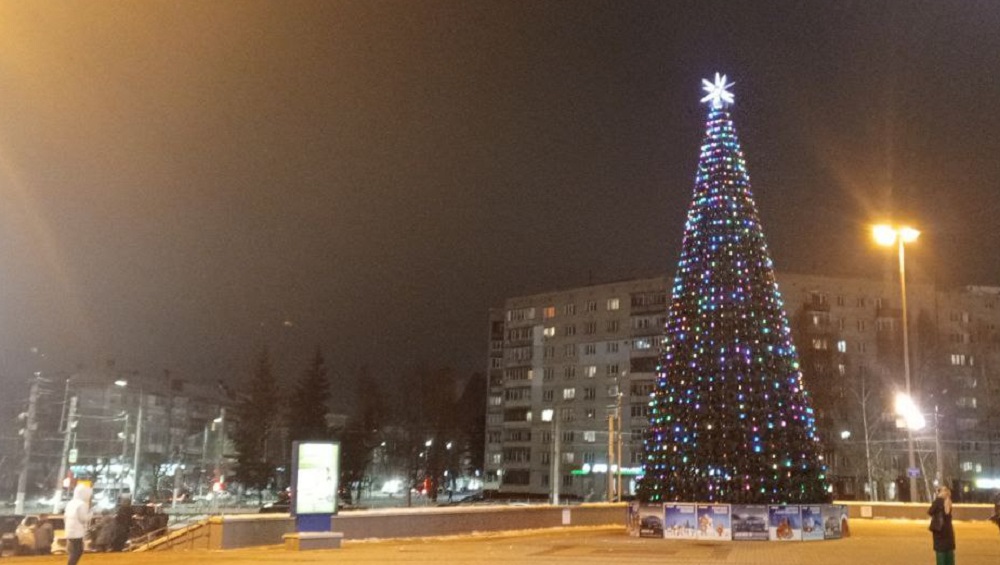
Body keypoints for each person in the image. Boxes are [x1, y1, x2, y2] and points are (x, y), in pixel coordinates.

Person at [64, 484, 92, 565]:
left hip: (69, 531)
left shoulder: (70, 503)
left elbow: (65, 517)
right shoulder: (82, 504)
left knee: (73, 551)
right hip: (77, 532)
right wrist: (91, 514)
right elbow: (83, 519)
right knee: (77, 551)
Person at [928, 486, 955, 565]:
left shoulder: (938, 502)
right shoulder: (949, 502)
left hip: (939, 532)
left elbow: (930, 511)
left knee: (941, 556)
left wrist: (938, 498)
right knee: (949, 555)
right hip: (948, 532)